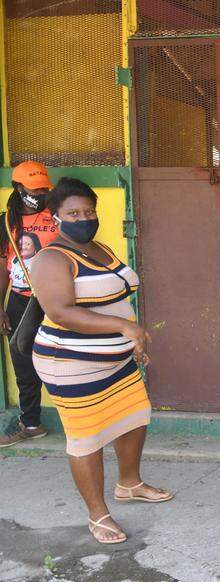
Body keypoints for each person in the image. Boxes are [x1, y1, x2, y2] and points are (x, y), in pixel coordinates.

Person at [31, 178, 170, 544]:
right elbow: (61, 312)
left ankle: (130, 483)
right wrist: (124, 326)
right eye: (73, 213)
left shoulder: (100, 248)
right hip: (70, 361)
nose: (83, 218)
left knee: (135, 417)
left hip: (116, 359)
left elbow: (116, 294)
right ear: (56, 217)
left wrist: (131, 338)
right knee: (86, 436)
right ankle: (98, 514)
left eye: (89, 211)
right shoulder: (51, 258)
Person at [0, 161, 58, 447]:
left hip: (55, 299)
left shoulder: (57, 215)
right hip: (21, 301)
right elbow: (2, 266)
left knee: (64, 358)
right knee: (23, 361)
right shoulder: (6, 222)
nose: (41, 193)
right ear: (18, 188)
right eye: (34, 189)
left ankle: (83, 420)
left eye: (44, 188)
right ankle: (31, 423)